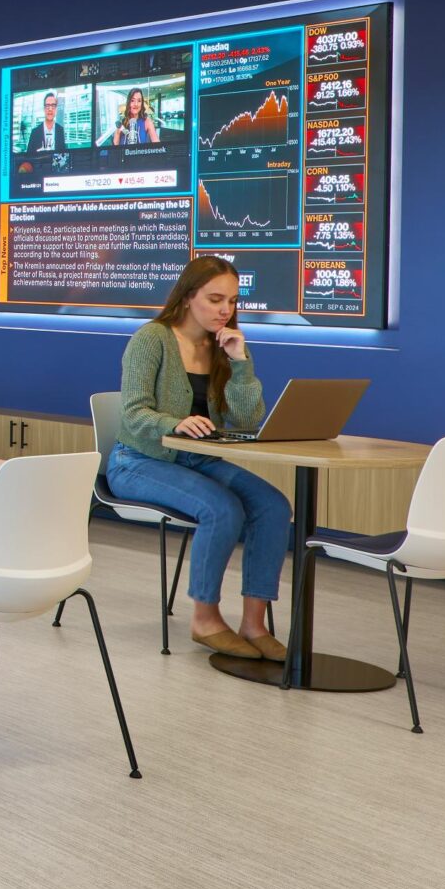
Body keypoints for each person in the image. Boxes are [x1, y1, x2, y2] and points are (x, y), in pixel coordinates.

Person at [107, 255, 290, 659]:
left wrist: (241, 364)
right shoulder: (150, 339)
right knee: (222, 509)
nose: (225, 310)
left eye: (232, 301)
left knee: (274, 506)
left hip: (197, 460)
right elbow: (134, 412)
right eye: (215, 299)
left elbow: (245, 419)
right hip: (138, 461)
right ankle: (205, 619)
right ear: (188, 297)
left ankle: (254, 624)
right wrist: (174, 423)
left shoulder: (226, 343)